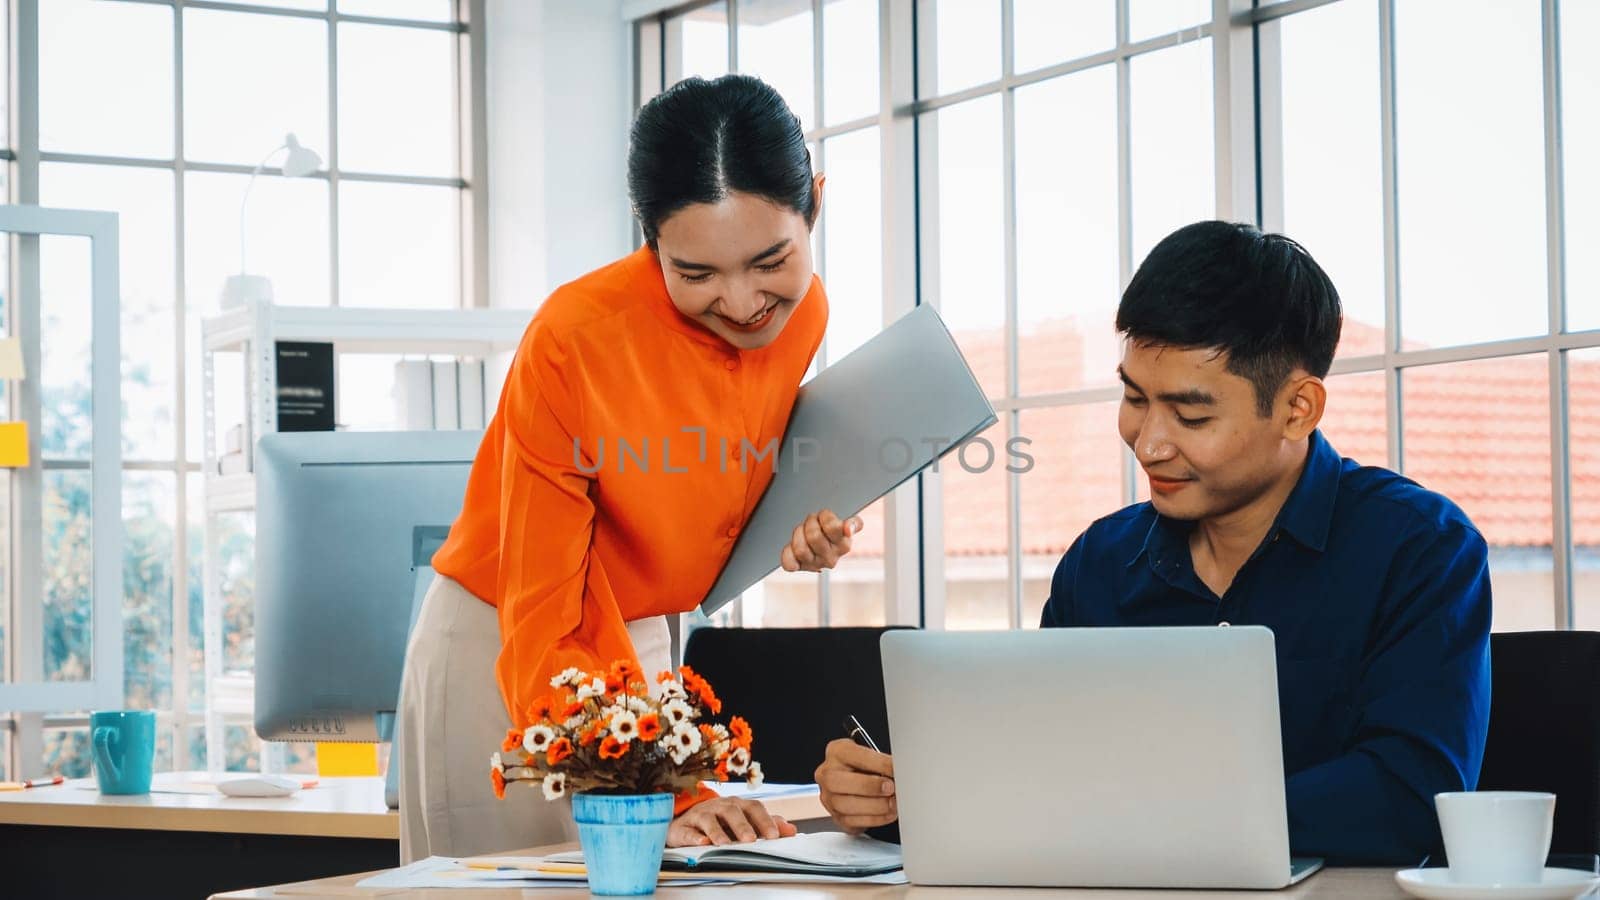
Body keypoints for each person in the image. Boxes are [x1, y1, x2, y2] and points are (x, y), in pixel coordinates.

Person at [815, 220, 1492, 865]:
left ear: (1297, 408)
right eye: (1135, 398)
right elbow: (1041, 777)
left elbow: (1410, 799)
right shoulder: (1098, 565)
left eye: (1191, 414)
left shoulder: (1421, 551)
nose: (1149, 441)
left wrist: (1149, 817)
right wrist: (902, 800)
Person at [399, 74, 865, 863]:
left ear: (814, 203)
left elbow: (724, 459)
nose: (745, 300)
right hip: (508, 647)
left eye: (769, 261)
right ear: (648, 238)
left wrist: (805, 520)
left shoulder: (806, 310)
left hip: (641, 638)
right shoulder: (574, 339)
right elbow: (543, 605)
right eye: (697, 274)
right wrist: (668, 785)